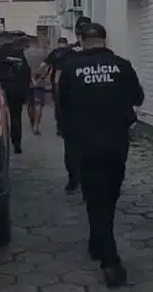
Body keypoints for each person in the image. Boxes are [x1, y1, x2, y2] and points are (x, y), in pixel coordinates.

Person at [58, 22, 144, 288]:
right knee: (110, 195)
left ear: (82, 40)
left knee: (95, 199)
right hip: (116, 144)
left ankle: (107, 256)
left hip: (86, 145)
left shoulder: (70, 68)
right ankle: (104, 250)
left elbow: (62, 106)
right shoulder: (122, 66)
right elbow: (138, 98)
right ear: (106, 40)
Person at [56, 16, 92, 194]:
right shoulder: (101, 53)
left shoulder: (67, 52)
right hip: (93, 107)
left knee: (71, 146)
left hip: (72, 107)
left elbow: (58, 80)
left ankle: (74, 180)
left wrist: (59, 106)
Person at [0, 37, 32, 154]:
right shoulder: (21, 56)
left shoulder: (0, 54)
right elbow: (26, 73)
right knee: (16, 117)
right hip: (17, 90)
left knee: (0, 117)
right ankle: (16, 143)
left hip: (2, 88)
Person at [37, 37, 70, 136]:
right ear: (66, 43)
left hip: (57, 82)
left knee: (58, 105)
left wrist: (38, 74)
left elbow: (44, 64)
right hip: (70, 81)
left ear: (58, 43)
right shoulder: (71, 52)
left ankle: (60, 128)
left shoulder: (55, 52)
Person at [23, 38, 48, 134]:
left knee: (29, 104)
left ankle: (32, 121)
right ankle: (36, 125)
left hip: (28, 81)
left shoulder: (25, 53)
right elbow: (47, 66)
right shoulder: (43, 52)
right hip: (40, 81)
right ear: (37, 43)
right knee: (38, 104)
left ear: (29, 43)